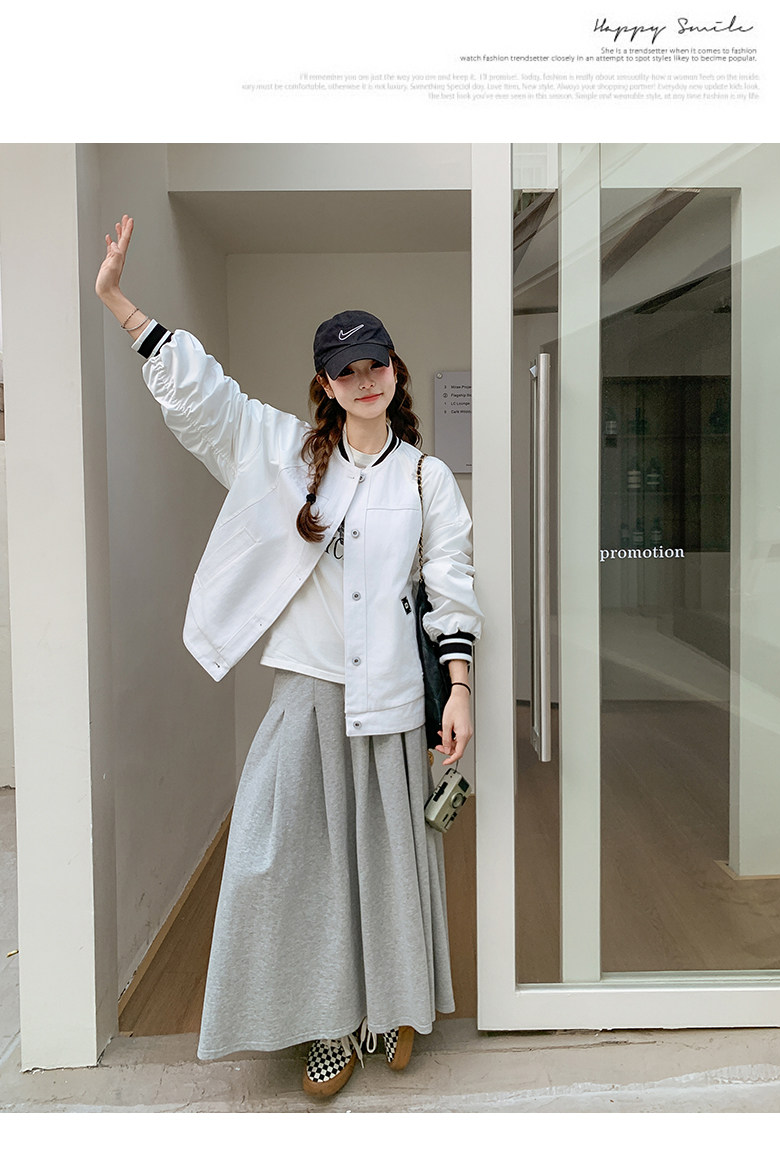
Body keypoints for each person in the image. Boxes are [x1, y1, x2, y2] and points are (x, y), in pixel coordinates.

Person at [95, 214, 484, 1097]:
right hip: (305, 695)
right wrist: (121, 305)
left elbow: (451, 583)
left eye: (376, 365)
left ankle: (388, 1007)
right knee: (287, 864)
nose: (364, 380)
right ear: (325, 384)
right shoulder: (283, 453)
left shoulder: (426, 478)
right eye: (347, 370)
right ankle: (324, 1023)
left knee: (387, 866)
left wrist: (458, 687)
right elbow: (207, 400)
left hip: (392, 701)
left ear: (396, 372)